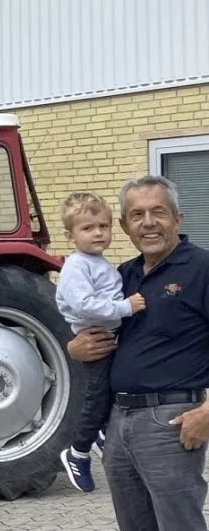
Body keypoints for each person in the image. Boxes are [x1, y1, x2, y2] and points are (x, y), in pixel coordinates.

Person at [66, 175, 209, 531]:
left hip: (172, 422)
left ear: (178, 218)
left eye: (158, 212)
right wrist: (74, 348)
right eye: (137, 215)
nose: (148, 223)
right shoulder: (121, 276)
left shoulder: (202, 269)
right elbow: (93, 325)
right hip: (118, 422)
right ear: (125, 226)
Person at [56, 192, 146, 492]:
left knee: (109, 391)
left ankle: (99, 433)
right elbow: (84, 305)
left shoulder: (99, 263)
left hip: (108, 337)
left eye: (103, 226)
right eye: (88, 228)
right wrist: (125, 307)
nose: (98, 233)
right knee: (96, 397)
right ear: (70, 235)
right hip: (95, 339)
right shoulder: (77, 267)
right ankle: (77, 453)